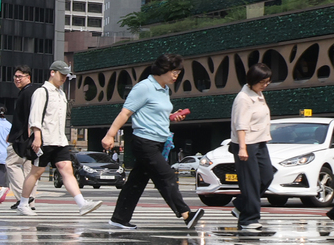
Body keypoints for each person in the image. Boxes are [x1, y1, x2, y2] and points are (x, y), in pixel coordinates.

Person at [102, 53, 206, 231]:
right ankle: (186, 214)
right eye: (174, 72)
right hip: (144, 141)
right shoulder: (144, 87)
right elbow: (125, 113)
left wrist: (172, 116)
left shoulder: (164, 88)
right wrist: (110, 135)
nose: (176, 76)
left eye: (178, 73)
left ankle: (119, 218)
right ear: (162, 69)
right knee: (166, 176)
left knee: (136, 182)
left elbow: (156, 113)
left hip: (159, 141)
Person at [17, 61, 100, 217]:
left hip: (60, 140)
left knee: (67, 170)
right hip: (45, 140)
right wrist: (37, 136)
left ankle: (82, 204)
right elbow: (34, 116)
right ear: (52, 72)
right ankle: (23, 203)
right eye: (61, 75)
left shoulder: (62, 94)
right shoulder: (42, 92)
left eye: (66, 75)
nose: (64, 78)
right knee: (36, 172)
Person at [231, 64, 275, 233]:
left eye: (267, 82)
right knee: (251, 183)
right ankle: (249, 220)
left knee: (267, 177)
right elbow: (240, 125)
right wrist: (242, 148)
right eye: (262, 82)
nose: (265, 85)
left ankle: (241, 204)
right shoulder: (243, 98)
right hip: (246, 143)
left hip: (260, 142)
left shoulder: (258, 94)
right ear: (253, 80)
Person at [3, 66, 37, 210]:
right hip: (30, 136)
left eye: (20, 76)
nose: (17, 79)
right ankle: (30, 202)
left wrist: (29, 134)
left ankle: (24, 197)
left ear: (28, 77)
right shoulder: (31, 92)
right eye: (15, 76)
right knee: (30, 170)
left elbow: (31, 115)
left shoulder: (27, 93)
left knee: (11, 164)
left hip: (23, 137)